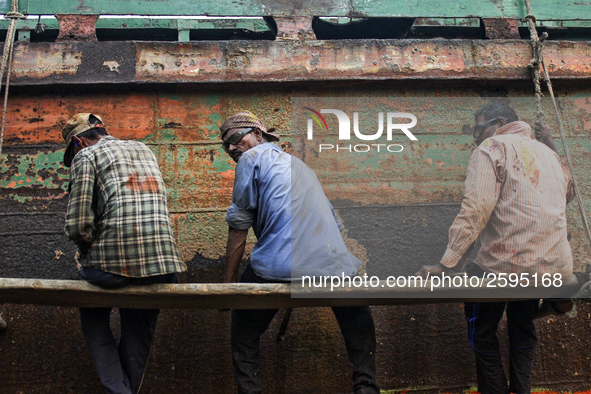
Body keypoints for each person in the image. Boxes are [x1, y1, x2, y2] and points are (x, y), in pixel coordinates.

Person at [417, 102, 574, 394]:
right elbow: (568, 194)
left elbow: (477, 209)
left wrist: (447, 263)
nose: (476, 137)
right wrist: (550, 143)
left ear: (499, 122)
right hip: (549, 267)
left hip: (505, 265)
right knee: (522, 326)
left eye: (478, 128)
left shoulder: (492, 148)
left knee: (481, 329)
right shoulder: (548, 154)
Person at [220, 111, 379, 394]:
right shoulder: (300, 166)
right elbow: (335, 225)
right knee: (357, 315)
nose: (231, 148)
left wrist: (229, 287)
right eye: (225, 146)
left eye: (234, 138)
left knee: (243, 331)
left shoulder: (250, 159)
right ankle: (366, 386)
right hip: (333, 266)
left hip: (278, 266)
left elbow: (239, 226)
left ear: (258, 134)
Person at [62, 113, 186, 394]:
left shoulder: (86, 156)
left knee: (93, 315)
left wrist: (86, 253)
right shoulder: (143, 149)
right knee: (138, 329)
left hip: (111, 268)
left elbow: (79, 225)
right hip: (162, 268)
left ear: (77, 141)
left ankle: (118, 390)